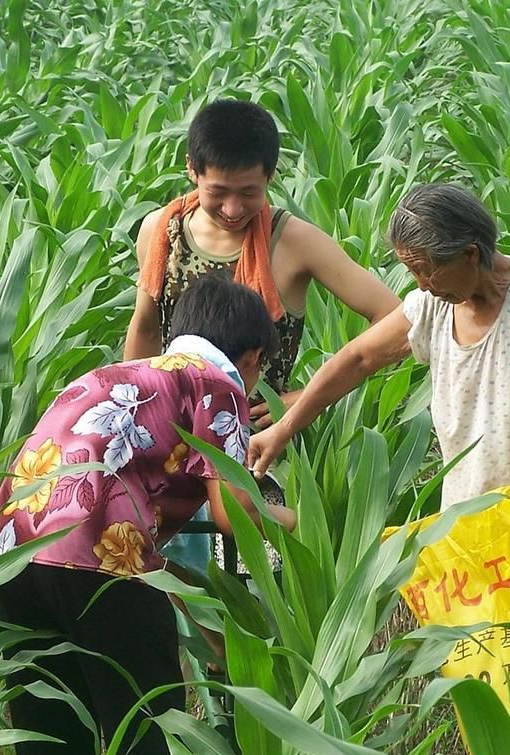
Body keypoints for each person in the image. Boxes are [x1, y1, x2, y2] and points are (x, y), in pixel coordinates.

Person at [248, 183, 510, 600]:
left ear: (471, 254)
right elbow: (358, 359)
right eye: (411, 269)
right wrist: (284, 427)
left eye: (427, 268)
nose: (421, 283)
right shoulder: (431, 306)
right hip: (479, 530)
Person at [0, 276, 295, 755]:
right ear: (251, 358)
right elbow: (235, 515)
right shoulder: (216, 381)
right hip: (99, 555)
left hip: (14, 556)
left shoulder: (118, 373)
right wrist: (308, 522)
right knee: (149, 743)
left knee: (52, 743)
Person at [124, 97, 399, 577]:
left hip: (262, 442)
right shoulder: (161, 230)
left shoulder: (293, 241)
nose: (233, 208)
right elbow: (146, 329)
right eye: (219, 191)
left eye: (249, 192)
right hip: (174, 441)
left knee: (263, 584)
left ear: (271, 176)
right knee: (173, 581)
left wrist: (298, 399)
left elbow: (396, 319)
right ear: (192, 170)